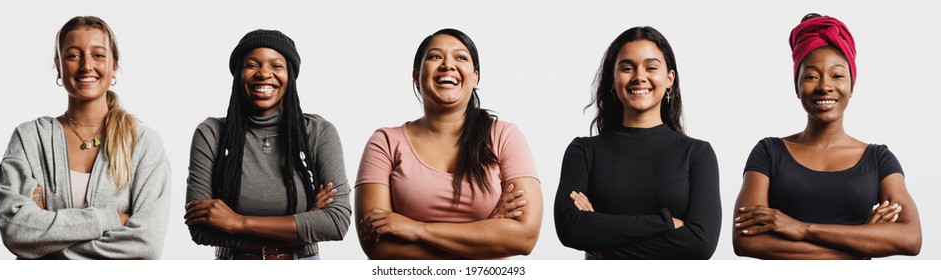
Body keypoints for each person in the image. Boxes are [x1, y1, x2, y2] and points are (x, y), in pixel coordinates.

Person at [732, 13, 922, 259]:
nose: (825, 86)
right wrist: (860, 242)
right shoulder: (769, 152)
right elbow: (746, 241)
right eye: (811, 76)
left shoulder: (878, 159)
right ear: (797, 87)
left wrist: (802, 229)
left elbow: (911, 238)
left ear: (852, 86)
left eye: (838, 75)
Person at [0, 16, 171, 259]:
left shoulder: (143, 144)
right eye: (74, 55)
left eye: (98, 55)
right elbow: (16, 229)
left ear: (113, 65)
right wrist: (109, 218)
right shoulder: (30, 139)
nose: (87, 65)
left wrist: (47, 250)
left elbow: (146, 243)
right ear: (59, 66)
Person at [355, 28, 542, 259]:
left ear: (475, 77)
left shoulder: (505, 136)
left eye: (461, 57)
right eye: (435, 56)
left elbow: (524, 238)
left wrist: (415, 229)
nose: (447, 65)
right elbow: (378, 246)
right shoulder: (384, 142)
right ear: (416, 75)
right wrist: (486, 234)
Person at [553, 26, 721, 260]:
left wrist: (605, 245)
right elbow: (570, 228)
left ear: (669, 79)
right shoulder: (583, 151)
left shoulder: (697, 153)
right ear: (613, 79)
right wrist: (665, 223)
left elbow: (701, 243)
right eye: (627, 68)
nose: (639, 76)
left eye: (651, 67)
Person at [184, 29, 350, 260]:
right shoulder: (211, 134)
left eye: (276, 66)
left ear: (289, 76)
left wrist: (237, 222)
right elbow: (201, 229)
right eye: (252, 65)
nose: (264, 74)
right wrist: (305, 224)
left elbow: (335, 222)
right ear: (238, 74)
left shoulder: (318, 132)